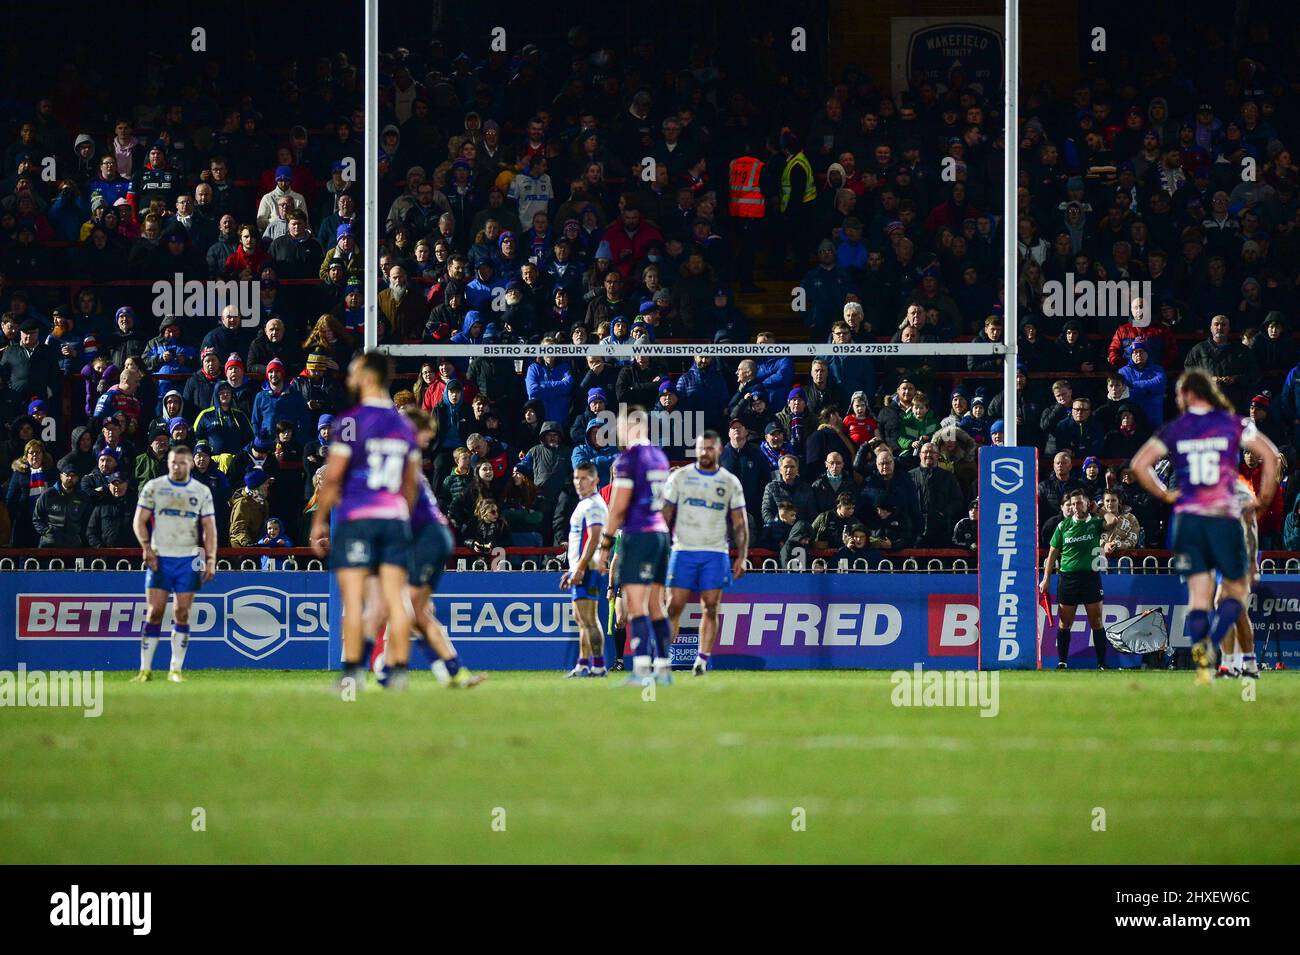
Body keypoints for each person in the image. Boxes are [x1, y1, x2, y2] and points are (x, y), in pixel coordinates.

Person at [1130, 370, 1280, 684]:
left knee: (1202, 599)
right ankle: (1220, 650)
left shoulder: (1177, 428)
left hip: (1187, 521)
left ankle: (1215, 662)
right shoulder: (1232, 424)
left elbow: (1138, 465)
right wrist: (1264, 499)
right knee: (1232, 596)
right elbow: (1270, 454)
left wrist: (1166, 494)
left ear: (1187, 394)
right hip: (1221, 520)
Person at [309, 352, 422, 692]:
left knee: (357, 601)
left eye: (354, 373)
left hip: (361, 521)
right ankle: (398, 674)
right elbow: (411, 484)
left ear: (369, 378)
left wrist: (318, 522)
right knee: (393, 599)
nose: (349, 379)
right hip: (394, 520)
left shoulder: (350, 422)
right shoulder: (405, 424)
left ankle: (350, 678)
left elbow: (332, 479)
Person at [368, 408, 485, 688]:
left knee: (403, 608)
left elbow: (404, 503)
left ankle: (392, 669)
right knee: (419, 612)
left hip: (427, 538)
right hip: (432, 537)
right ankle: (452, 671)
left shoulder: (398, 458)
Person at [593, 406, 672, 684]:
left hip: (638, 534)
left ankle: (640, 670)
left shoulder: (627, 460)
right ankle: (662, 667)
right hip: (661, 536)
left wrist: (605, 546)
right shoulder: (660, 457)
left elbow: (617, 508)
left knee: (636, 605)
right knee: (656, 605)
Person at [662, 430, 749, 676]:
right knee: (673, 607)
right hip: (683, 551)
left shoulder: (729, 481)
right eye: (701, 448)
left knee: (711, 606)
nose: (704, 452)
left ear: (719, 450)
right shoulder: (680, 477)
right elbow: (665, 515)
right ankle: (662, 660)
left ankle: (701, 660)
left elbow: (740, 522)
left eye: (710, 448)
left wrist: (741, 556)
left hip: (715, 553)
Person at [130, 446, 217, 683]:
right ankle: (145, 669)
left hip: (188, 559)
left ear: (190, 464)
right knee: (155, 611)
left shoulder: (201, 491)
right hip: (160, 558)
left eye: (181, 463)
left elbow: (209, 528)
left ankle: (175, 670)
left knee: (182, 612)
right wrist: (146, 547)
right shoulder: (154, 487)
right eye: (172, 462)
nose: (176, 467)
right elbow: (139, 521)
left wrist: (210, 559)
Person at [1039, 489, 1120, 669]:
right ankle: (1062, 662)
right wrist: (1046, 579)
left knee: (1096, 621)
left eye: (1079, 503)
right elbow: (1052, 554)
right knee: (1065, 622)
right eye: (1073, 504)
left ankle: (1102, 663)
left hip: (1090, 577)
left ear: (1087, 504)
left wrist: (1098, 509)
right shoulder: (1063, 526)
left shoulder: (1095, 523)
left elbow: (1113, 521)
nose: (1076, 507)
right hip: (1068, 578)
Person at [560, 461, 609, 678]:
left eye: (584, 478)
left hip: (588, 568)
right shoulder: (585, 503)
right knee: (581, 619)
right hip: (581, 568)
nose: (579, 483)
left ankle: (598, 666)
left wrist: (579, 568)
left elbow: (595, 536)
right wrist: (573, 569)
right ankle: (583, 664)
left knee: (589, 619)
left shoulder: (594, 505)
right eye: (576, 478)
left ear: (595, 480)